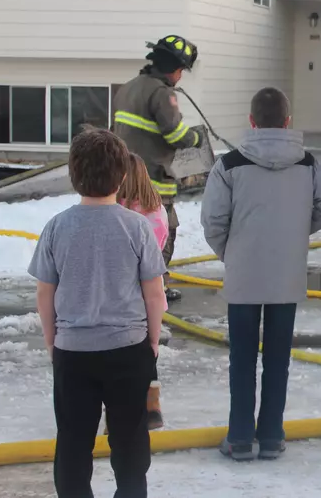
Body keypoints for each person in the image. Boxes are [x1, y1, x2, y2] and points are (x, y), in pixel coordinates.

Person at [200, 87, 321, 461]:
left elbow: (213, 219)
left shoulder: (230, 164)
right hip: (287, 276)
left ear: (251, 122)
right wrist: (297, 231)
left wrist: (231, 252)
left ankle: (239, 438)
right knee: (278, 358)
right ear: (288, 122)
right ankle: (271, 437)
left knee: (243, 359)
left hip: (244, 276)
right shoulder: (307, 163)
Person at [29, 128, 167, 498]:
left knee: (73, 444)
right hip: (128, 350)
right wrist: (152, 340)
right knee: (131, 444)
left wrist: (52, 341)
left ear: (73, 175)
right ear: (122, 176)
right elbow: (154, 293)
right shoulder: (137, 227)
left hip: (73, 352)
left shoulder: (57, 227)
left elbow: (45, 293)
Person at [113, 35, 204, 305]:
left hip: (122, 182)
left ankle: (126, 287)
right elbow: (176, 135)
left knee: (126, 238)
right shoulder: (162, 94)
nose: (180, 77)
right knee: (164, 234)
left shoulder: (127, 89)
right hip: (153, 183)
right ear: (172, 68)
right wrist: (196, 139)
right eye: (180, 71)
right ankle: (155, 290)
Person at [116, 153, 170, 431]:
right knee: (148, 352)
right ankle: (152, 407)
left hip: (124, 294)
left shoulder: (118, 212)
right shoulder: (157, 210)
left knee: (118, 355)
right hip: (152, 291)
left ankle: (117, 413)